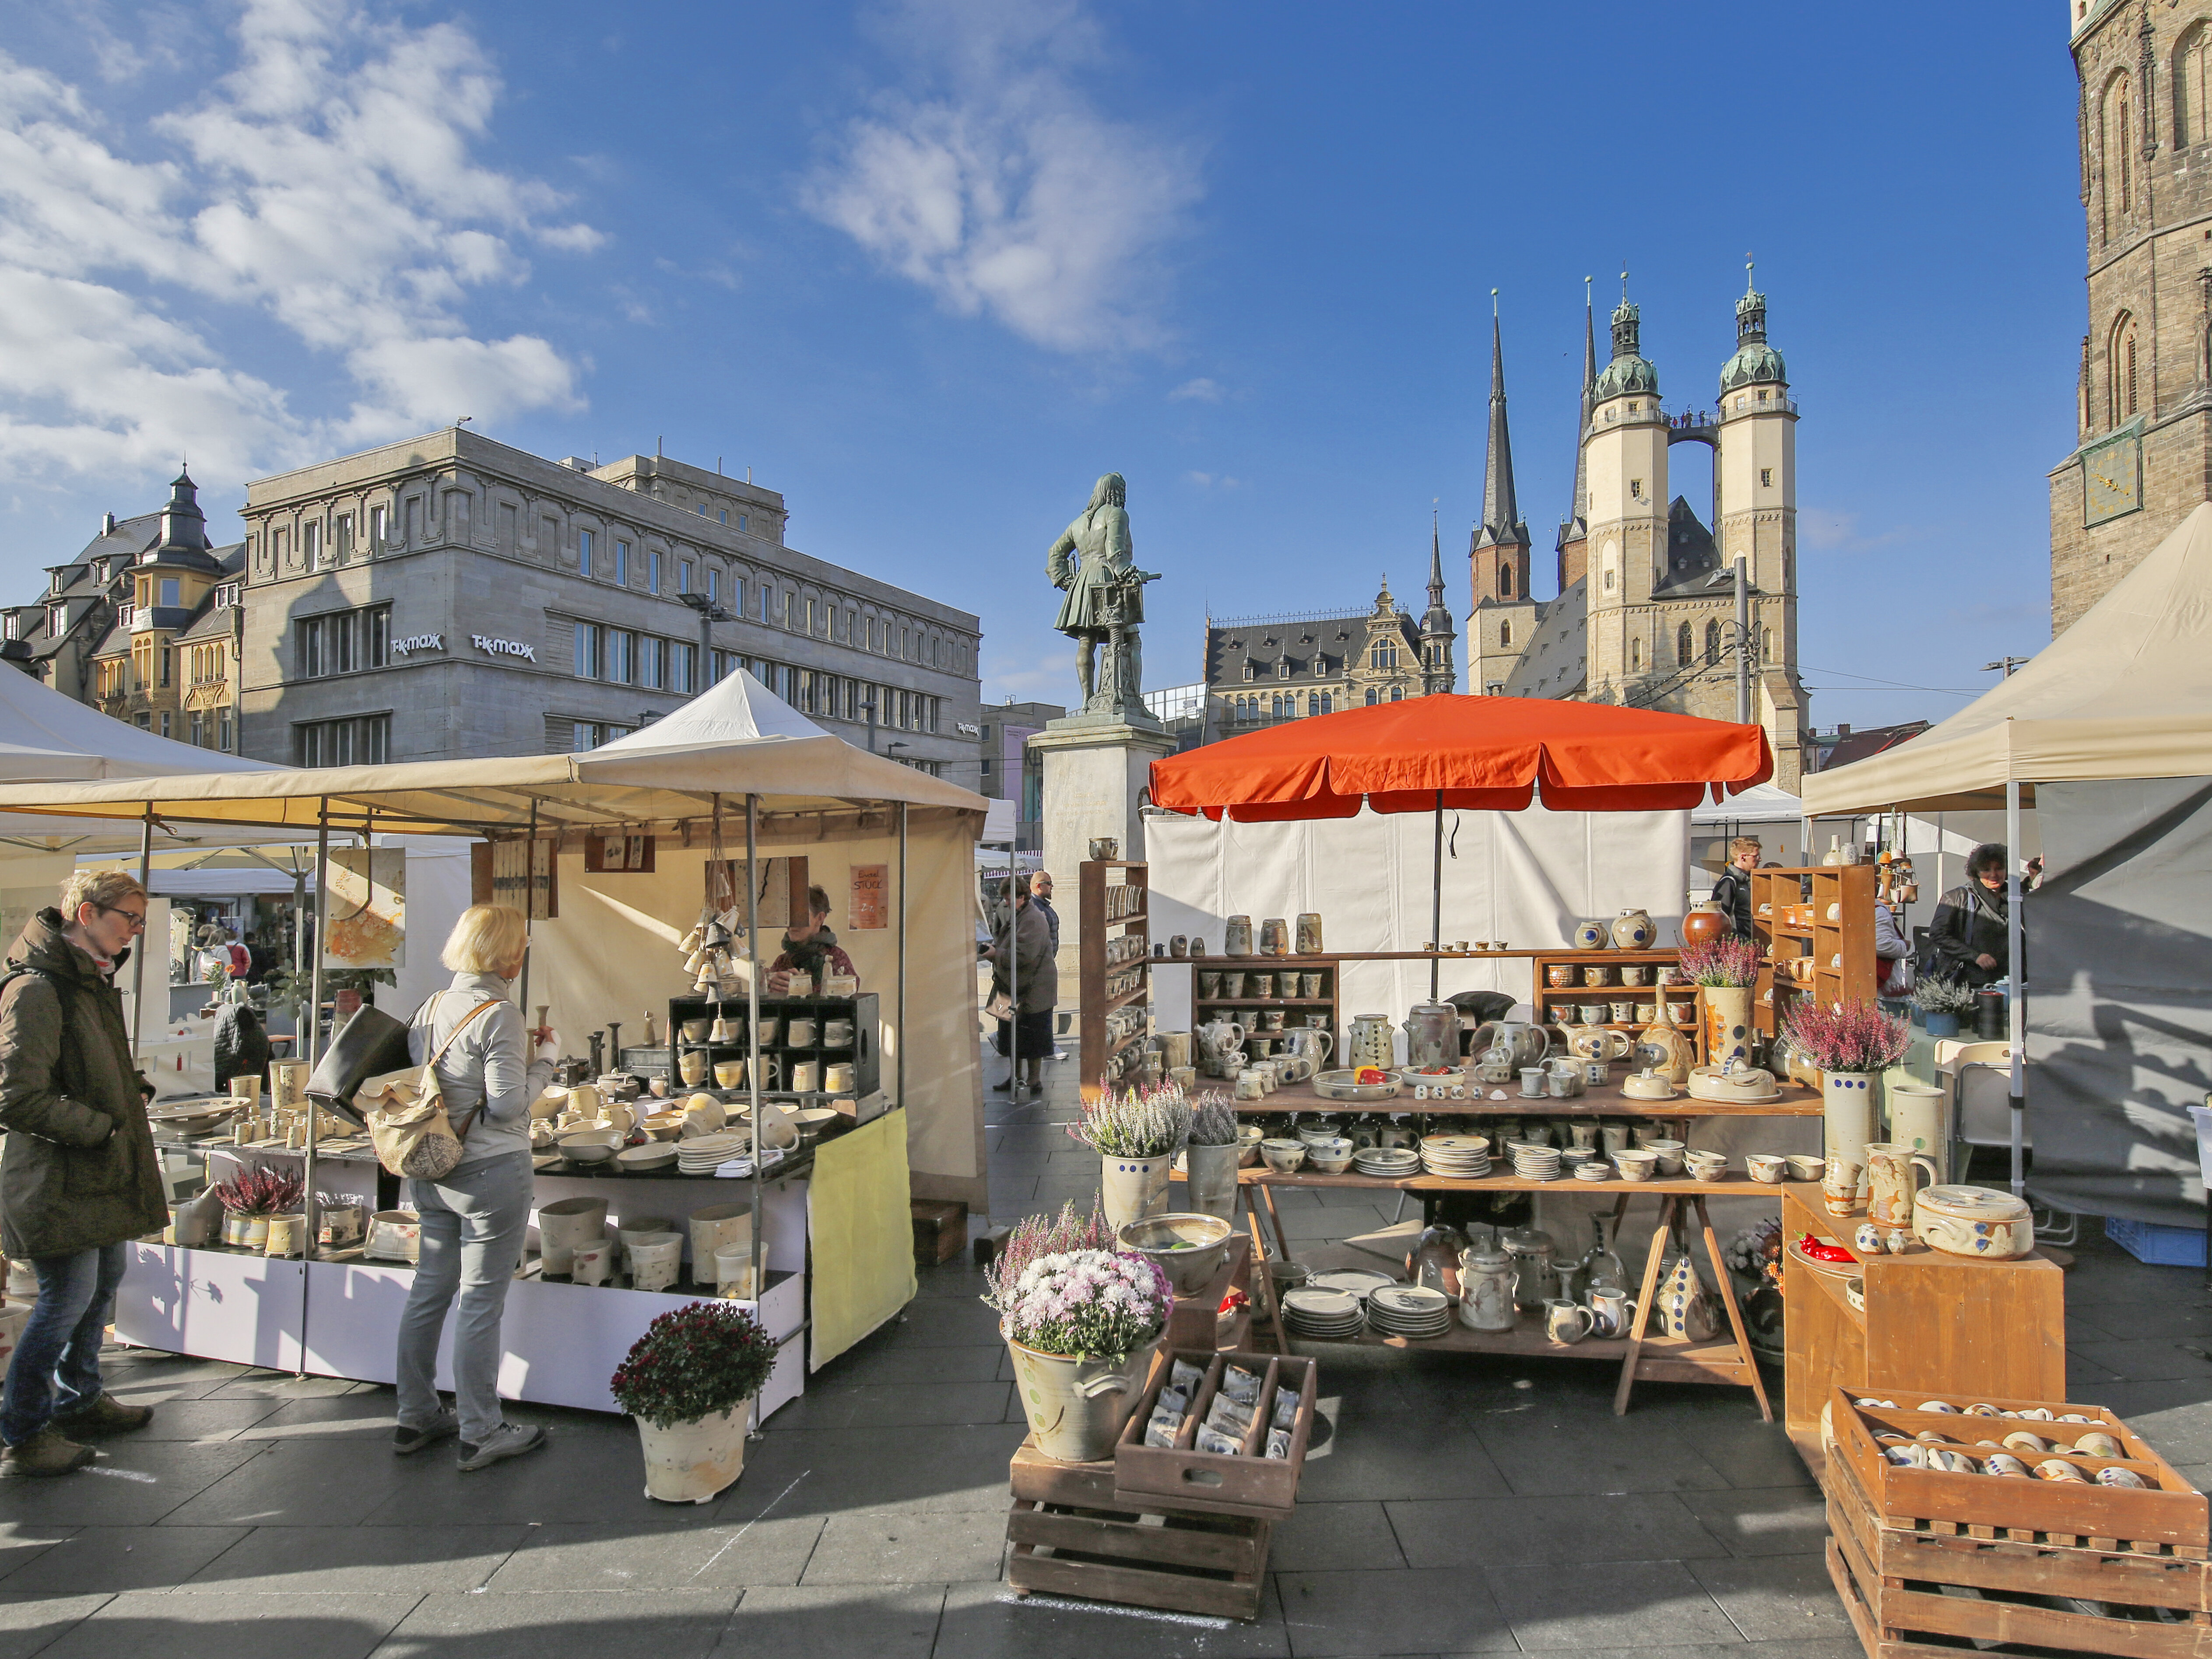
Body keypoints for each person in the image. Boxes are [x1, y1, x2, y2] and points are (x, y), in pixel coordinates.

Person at [0, 870, 164, 1477]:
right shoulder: (39, 988)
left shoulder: (86, 981)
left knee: (102, 1282)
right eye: (131, 918)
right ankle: (24, 1429)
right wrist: (99, 1126)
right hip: (55, 1181)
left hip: (91, 1174)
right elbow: (15, 1095)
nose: (137, 931)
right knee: (63, 1300)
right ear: (88, 913)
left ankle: (80, 1397)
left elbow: (85, 1067)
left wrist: (131, 1088)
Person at [391, 905, 556, 1470]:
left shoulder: (431, 1005)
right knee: (481, 1299)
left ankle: (414, 1412)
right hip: (490, 1169)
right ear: (509, 953)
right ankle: (480, 1427)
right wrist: (548, 1062)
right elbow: (508, 1103)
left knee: (429, 1288)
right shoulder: (498, 1013)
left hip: (434, 1166)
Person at [984, 877, 1056, 1095]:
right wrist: (995, 949)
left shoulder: (1032, 919)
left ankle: (1034, 1081)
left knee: (1034, 1035)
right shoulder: (1019, 915)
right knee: (1009, 1032)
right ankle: (1015, 1077)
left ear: (1021, 897)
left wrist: (996, 954)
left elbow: (1024, 955)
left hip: (1033, 989)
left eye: (1008, 899)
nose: (1006, 903)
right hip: (1013, 986)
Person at [1925, 843, 2012, 989]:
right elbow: (1938, 934)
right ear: (1976, 872)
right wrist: (1975, 956)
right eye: (1986, 870)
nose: (1994, 875)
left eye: (1999, 868)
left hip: (2010, 981)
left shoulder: (2017, 898)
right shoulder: (1957, 898)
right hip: (1968, 982)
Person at [766, 886, 858, 995]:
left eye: (800, 916)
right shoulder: (782, 962)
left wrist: (804, 989)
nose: (791, 924)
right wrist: (766, 984)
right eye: (788, 916)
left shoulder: (836, 958)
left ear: (819, 918)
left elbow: (850, 992)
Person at [1709, 836, 1761, 938]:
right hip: (1739, 944)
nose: (1760, 859)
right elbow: (1718, 918)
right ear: (1743, 857)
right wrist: (1738, 940)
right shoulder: (1728, 882)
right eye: (1756, 856)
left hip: (1754, 940)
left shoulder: (1749, 880)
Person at [1028, 871, 1060, 954]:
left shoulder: (1045, 906)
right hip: (1039, 961)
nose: (1052, 886)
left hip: (1046, 960)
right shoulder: (1032, 907)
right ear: (1039, 886)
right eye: (1049, 883)